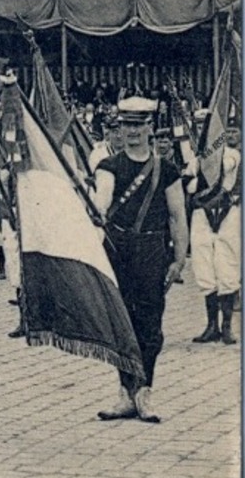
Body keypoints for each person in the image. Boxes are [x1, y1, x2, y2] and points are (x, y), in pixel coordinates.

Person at [91, 96, 189, 423]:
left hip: (151, 252)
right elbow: (102, 199)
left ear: (150, 127)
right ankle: (124, 394)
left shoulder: (168, 170)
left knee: (149, 326)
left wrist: (178, 259)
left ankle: (144, 393)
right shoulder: (109, 166)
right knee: (122, 324)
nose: (131, 132)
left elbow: (177, 216)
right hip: (117, 252)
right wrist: (96, 209)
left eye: (138, 125)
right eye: (125, 125)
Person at [181, 114, 240, 345]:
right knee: (204, 266)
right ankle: (211, 325)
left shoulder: (232, 154)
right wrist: (195, 180)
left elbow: (223, 166)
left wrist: (200, 173)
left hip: (228, 215)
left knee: (227, 265)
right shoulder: (198, 158)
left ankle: (226, 326)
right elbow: (187, 181)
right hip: (202, 216)